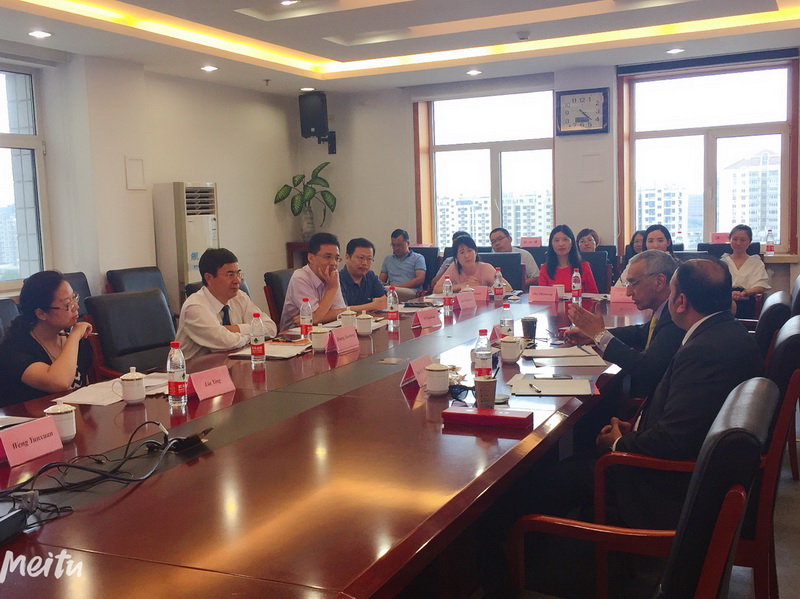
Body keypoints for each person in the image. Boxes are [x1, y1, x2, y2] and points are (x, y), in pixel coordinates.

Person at [566, 250, 682, 400]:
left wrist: (600, 336)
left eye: (633, 283)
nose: (628, 292)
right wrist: (593, 335)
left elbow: (647, 368)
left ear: (659, 282)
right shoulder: (664, 309)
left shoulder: (676, 317)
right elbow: (641, 332)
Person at [0, 271, 93, 407]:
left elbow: (85, 389)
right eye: (68, 304)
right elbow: (60, 382)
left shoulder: (75, 338)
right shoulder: (15, 349)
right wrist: (74, 336)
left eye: (74, 298)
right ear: (41, 313)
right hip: (30, 418)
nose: (76, 307)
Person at [176, 248, 276, 360]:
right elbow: (226, 342)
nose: (237, 281)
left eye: (238, 274)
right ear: (209, 278)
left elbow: (271, 328)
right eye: (230, 275)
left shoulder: (239, 297)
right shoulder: (194, 307)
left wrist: (236, 329)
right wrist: (253, 335)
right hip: (197, 368)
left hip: (231, 363)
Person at [281, 232, 347, 331]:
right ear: (311, 258)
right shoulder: (300, 277)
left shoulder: (332, 274)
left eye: (336, 258)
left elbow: (340, 311)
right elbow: (315, 318)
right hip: (295, 335)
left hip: (324, 329)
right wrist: (332, 289)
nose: (334, 263)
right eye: (328, 257)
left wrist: (315, 317)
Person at [721, 224, 770, 319]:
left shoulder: (756, 262)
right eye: (735, 239)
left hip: (748, 300)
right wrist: (729, 295)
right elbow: (718, 286)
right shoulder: (723, 262)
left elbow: (760, 286)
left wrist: (744, 293)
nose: (738, 243)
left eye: (743, 240)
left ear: (749, 242)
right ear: (730, 240)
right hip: (726, 300)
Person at [433, 236, 511, 293]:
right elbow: (436, 289)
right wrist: (462, 285)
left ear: (475, 253)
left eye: (470, 251)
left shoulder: (485, 268)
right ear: (456, 257)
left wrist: (480, 289)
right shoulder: (454, 267)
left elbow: (508, 288)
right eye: (462, 252)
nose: (467, 256)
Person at [537, 224, 598, 293]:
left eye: (565, 239)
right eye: (556, 240)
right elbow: (541, 296)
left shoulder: (584, 266)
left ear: (572, 243)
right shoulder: (544, 269)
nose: (561, 244)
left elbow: (594, 295)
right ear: (551, 244)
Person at [339, 237, 386, 312]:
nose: (365, 263)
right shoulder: (338, 279)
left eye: (369, 259)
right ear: (347, 258)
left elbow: (384, 299)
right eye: (360, 258)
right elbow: (341, 310)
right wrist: (373, 305)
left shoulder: (370, 275)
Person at [379, 229, 426, 302]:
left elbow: (420, 279)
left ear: (408, 243)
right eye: (393, 245)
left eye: (399, 245)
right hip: (391, 290)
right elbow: (381, 280)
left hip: (411, 291)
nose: (396, 248)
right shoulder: (388, 259)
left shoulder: (418, 258)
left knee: (388, 291)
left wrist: (397, 287)